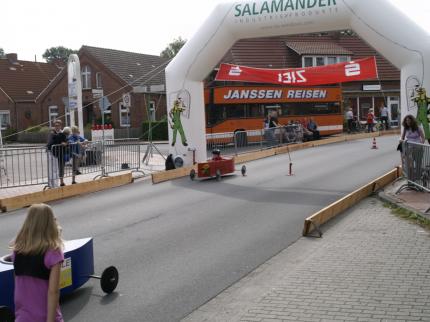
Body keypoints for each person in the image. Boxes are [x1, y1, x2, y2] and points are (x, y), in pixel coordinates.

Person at [10, 203, 64, 322]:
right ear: (49, 224)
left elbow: (18, 284)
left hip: (23, 316)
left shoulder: (17, 250)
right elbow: (53, 292)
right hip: (45, 316)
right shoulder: (53, 252)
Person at [400, 115, 425, 182]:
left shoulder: (418, 128)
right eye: (406, 120)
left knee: (418, 164)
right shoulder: (406, 128)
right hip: (409, 149)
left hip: (418, 149)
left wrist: (421, 144)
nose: (407, 122)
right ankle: (410, 179)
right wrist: (401, 144)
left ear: (412, 121)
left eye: (408, 120)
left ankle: (418, 178)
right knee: (409, 165)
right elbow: (402, 138)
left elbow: (423, 137)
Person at [46, 120, 62, 188]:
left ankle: (55, 184)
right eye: (55, 126)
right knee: (51, 169)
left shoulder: (60, 133)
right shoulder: (52, 133)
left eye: (58, 126)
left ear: (60, 126)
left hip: (56, 153)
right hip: (51, 152)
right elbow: (50, 142)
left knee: (55, 169)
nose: (56, 127)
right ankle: (51, 185)